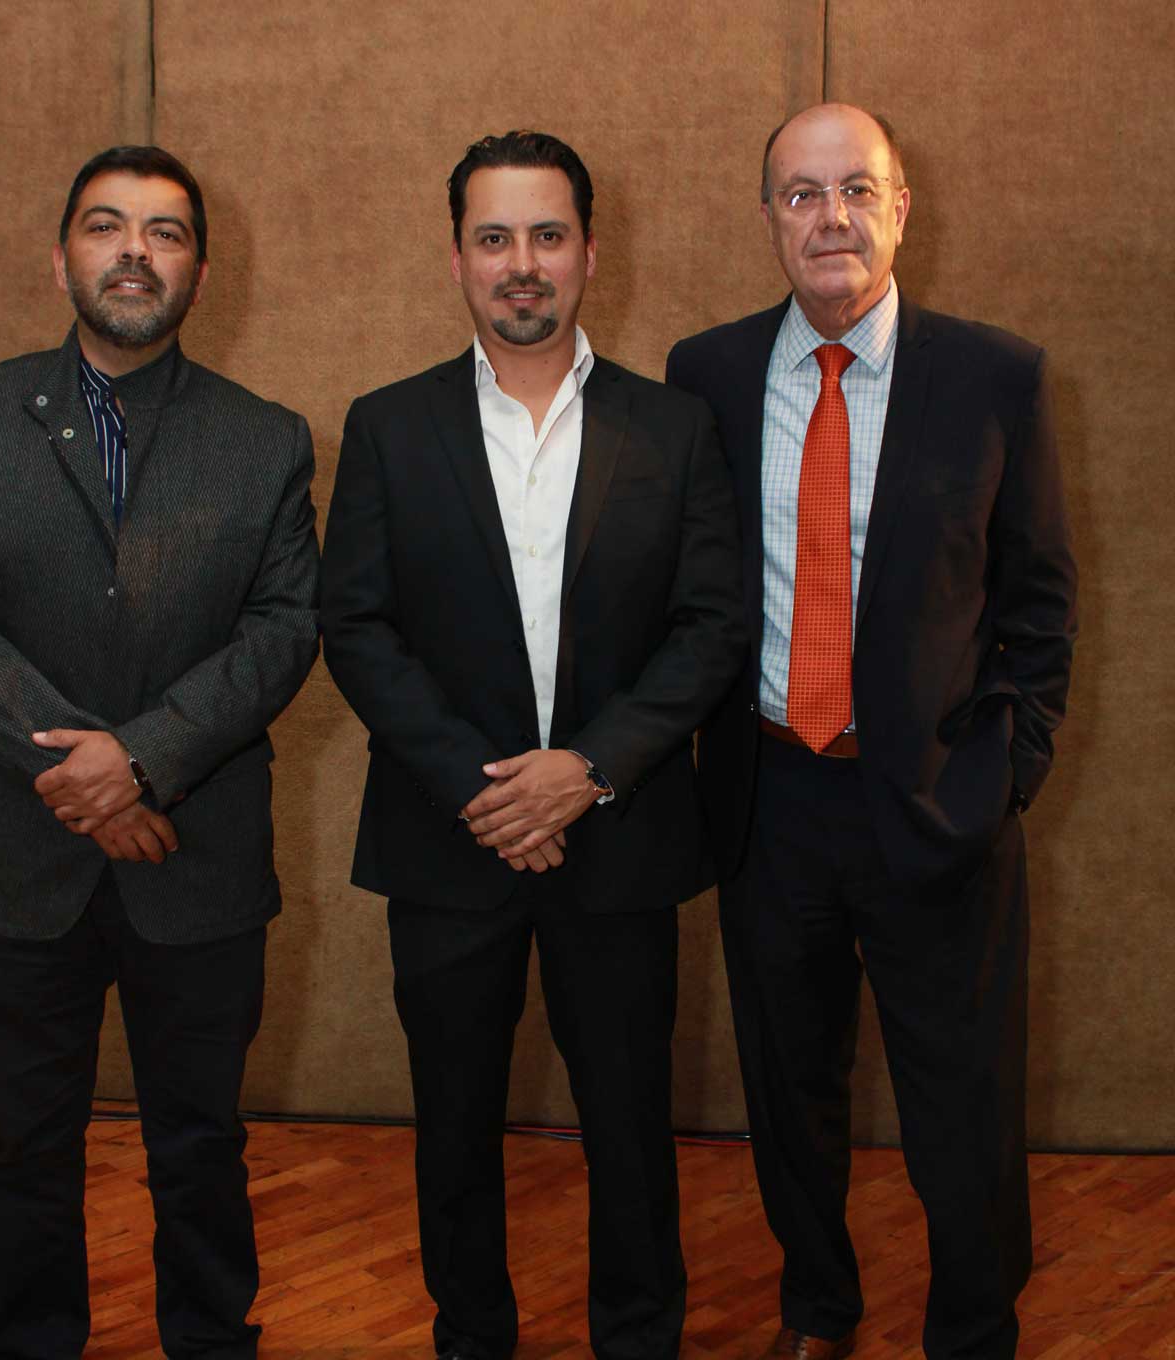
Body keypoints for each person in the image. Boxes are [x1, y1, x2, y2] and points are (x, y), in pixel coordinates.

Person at [320, 130, 746, 1360]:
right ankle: (471, 1337)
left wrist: (588, 770)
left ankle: (639, 1338)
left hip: (621, 840)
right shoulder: (388, 426)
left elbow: (711, 626)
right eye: (495, 238)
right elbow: (357, 627)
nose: (522, 263)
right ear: (457, 257)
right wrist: (489, 789)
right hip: (447, 845)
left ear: (590, 253)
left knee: (631, 1128)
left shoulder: (672, 428)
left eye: (547, 236)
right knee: (453, 1129)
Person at [667, 104, 1078, 1360]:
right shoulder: (707, 375)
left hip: (939, 799)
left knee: (963, 1095)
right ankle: (816, 1307)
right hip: (768, 799)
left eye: (856, 189)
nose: (830, 216)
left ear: (902, 207)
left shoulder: (997, 376)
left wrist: (1006, 771)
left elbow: (1039, 599)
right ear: (767, 219)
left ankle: (972, 1327)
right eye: (800, 193)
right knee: (789, 1087)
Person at [0, 145, 319, 1359]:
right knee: (26, 1147)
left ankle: (210, 1340)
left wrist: (139, 763)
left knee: (201, 1143)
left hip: (197, 853)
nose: (135, 249)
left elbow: (284, 629)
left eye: (165, 231)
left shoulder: (267, 439)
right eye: (106, 225)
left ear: (200, 272)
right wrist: (84, 778)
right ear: (62, 258)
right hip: (11, 855)